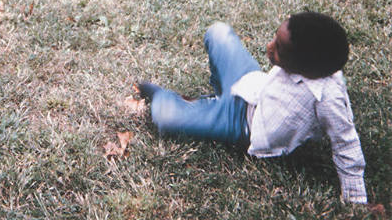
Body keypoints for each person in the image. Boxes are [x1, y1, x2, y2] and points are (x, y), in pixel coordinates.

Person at [138, 13, 369, 205]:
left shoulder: (327, 97)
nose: (269, 47)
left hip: (242, 124)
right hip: (250, 86)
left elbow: (346, 143)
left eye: (278, 48)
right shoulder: (306, 59)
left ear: (305, 67)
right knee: (218, 32)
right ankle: (217, 99)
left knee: (163, 116)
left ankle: (180, 103)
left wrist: (356, 200)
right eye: (274, 39)